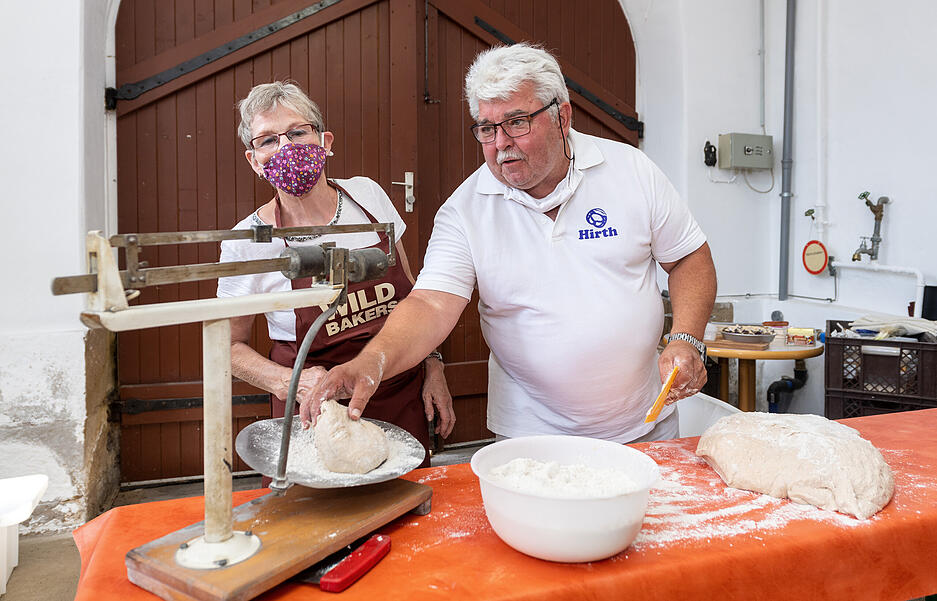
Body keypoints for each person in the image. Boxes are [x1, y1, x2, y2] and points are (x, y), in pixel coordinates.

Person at [311, 44, 717, 444]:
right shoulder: (466, 209)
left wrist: (686, 338)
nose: (501, 142)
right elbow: (431, 303)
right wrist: (372, 360)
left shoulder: (631, 171)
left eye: (516, 122)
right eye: (487, 128)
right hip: (531, 432)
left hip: (645, 423)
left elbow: (688, 258)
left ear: (563, 116)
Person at [217, 82, 454, 467]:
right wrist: (288, 383)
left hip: (395, 387)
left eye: (297, 132)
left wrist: (433, 365)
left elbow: (414, 297)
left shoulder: (369, 197)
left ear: (324, 141)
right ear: (254, 160)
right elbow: (228, 348)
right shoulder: (248, 242)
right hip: (315, 408)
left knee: (404, 506)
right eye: (268, 140)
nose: (286, 148)